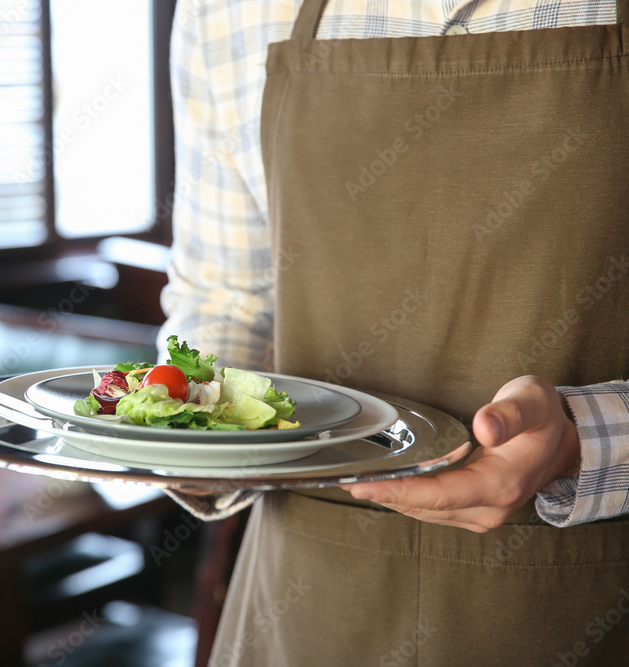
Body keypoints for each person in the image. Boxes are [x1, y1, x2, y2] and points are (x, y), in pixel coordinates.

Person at [159, 0, 629, 664]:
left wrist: (585, 442)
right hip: (301, 613)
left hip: (583, 603)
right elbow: (227, 301)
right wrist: (180, 431)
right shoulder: (224, 11)